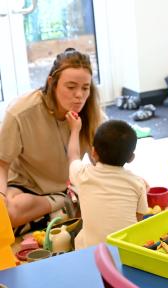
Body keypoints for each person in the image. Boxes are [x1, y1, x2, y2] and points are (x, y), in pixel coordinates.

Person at [0, 48, 103, 229]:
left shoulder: (93, 114)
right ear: (52, 83)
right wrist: (1, 199)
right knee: (7, 214)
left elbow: (104, 162)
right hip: (26, 187)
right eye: (71, 87)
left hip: (68, 186)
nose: (79, 95)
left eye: (85, 88)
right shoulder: (20, 112)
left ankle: (51, 214)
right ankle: (60, 206)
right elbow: (2, 164)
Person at [65, 117, 148, 249]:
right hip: (127, 254)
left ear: (93, 152)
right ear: (131, 158)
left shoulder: (83, 175)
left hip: (93, 254)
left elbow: (73, 156)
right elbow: (138, 219)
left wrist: (75, 129)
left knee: (80, 236)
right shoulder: (137, 183)